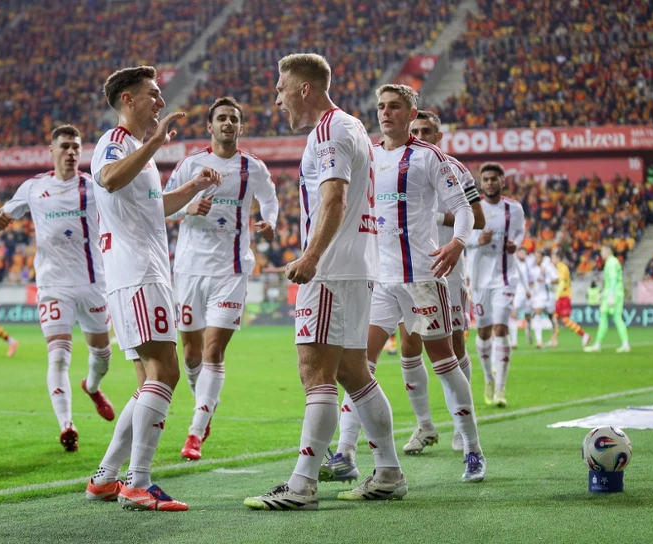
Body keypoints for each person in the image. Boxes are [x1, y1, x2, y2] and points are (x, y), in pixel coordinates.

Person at [244, 54, 405, 511]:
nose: (277, 101)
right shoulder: (352, 127)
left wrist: (312, 256)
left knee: (315, 373)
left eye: (281, 90)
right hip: (357, 266)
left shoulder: (329, 130)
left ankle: (301, 485)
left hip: (332, 270)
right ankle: (389, 472)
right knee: (355, 373)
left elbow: (334, 199)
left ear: (304, 89)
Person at [322, 91, 485, 479]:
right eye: (381, 106)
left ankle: (472, 449)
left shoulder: (430, 157)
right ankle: (345, 453)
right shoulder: (368, 155)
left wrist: (458, 243)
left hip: (422, 278)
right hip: (379, 281)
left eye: (393, 106)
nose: (385, 113)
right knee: (358, 367)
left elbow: (464, 210)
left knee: (444, 363)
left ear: (410, 113)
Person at [83, 66, 220, 512]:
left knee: (150, 381)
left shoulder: (137, 152)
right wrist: (157, 142)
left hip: (144, 272)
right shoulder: (115, 142)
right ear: (128, 99)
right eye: (153, 94)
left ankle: (106, 477)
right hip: (137, 274)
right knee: (165, 372)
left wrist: (193, 188)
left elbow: (153, 208)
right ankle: (137, 483)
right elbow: (108, 178)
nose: (161, 102)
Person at [0, 124, 116, 452]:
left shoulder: (94, 186)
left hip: (93, 283)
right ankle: (67, 425)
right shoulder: (34, 188)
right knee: (58, 356)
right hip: (53, 286)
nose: (71, 152)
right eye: (65, 146)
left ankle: (92, 386)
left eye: (76, 147)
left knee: (102, 354)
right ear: (52, 151)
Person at [165, 97, 279, 461]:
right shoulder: (190, 164)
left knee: (213, 351)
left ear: (240, 127)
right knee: (190, 355)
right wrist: (187, 208)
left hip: (231, 270)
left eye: (233, 118)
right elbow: (162, 205)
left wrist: (270, 222)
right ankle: (205, 404)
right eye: (221, 118)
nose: (227, 123)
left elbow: (270, 199)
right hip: (189, 270)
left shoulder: (252, 167)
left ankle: (195, 431)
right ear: (210, 126)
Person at [379, 109, 486, 455]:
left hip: (446, 270)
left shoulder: (452, 167)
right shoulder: (394, 165)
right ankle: (424, 425)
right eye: (417, 130)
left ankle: (462, 428)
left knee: (452, 348)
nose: (421, 135)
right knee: (409, 347)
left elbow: (478, 217)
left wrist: (436, 216)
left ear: (439, 136)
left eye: (428, 131)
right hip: (406, 268)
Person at [468, 163, 526, 408]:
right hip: (479, 281)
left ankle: (501, 388)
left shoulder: (514, 209)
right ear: (481, 183)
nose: (490, 183)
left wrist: (516, 245)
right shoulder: (472, 208)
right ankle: (488, 379)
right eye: (486, 179)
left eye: (494, 178)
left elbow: (520, 232)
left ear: (503, 181)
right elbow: (461, 239)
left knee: (501, 328)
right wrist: (477, 240)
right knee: (483, 332)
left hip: (505, 278)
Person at [585, 246, 630, 353]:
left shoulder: (612, 263)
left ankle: (624, 344)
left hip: (614, 294)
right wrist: (603, 293)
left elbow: (613, 280)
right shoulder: (611, 262)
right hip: (612, 293)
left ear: (607, 251)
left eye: (602, 251)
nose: (601, 254)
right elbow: (610, 281)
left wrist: (611, 295)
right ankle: (599, 344)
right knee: (606, 318)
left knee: (615, 318)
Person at [550, 250, 591, 347]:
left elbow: (562, 282)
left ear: (557, 258)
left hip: (564, 297)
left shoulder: (562, 267)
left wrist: (557, 296)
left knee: (565, 320)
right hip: (562, 296)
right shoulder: (558, 267)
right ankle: (554, 340)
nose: (552, 260)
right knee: (555, 317)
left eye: (553, 258)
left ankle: (584, 335)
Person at [529, 250, 559, 349]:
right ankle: (539, 341)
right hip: (538, 296)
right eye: (535, 256)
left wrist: (546, 281)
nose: (536, 259)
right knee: (537, 314)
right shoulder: (533, 269)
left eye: (538, 256)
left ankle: (554, 338)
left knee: (551, 317)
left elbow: (557, 280)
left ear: (542, 257)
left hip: (549, 295)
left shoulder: (549, 267)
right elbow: (531, 282)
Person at [508, 246, 533, 349]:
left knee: (528, 316)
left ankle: (528, 331)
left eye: (524, 253)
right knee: (513, 315)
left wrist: (530, 290)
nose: (522, 255)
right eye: (520, 252)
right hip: (517, 293)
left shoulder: (529, 263)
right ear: (517, 253)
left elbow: (532, 279)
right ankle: (514, 341)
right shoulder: (514, 264)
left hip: (528, 293)